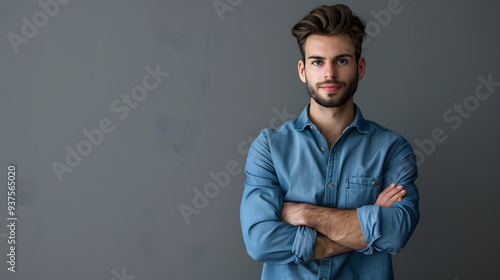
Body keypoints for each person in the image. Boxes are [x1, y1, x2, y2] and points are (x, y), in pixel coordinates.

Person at [240, 4, 420, 280]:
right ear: (302, 70)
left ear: (360, 68)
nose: (329, 74)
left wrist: (306, 214)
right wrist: (369, 223)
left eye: (342, 60)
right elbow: (260, 241)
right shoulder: (269, 148)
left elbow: (397, 231)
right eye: (317, 62)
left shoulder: (393, 149)